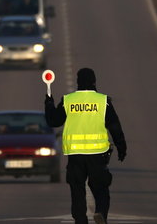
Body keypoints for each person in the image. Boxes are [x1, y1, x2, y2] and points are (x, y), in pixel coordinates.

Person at [44, 68, 127, 224]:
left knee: (77, 191)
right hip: (97, 154)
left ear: (78, 83)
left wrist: (49, 103)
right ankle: (100, 212)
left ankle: (81, 220)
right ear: (94, 82)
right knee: (101, 187)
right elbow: (114, 126)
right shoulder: (102, 101)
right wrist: (121, 147)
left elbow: (53, 121)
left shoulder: (68, 100)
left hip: (75, 155)